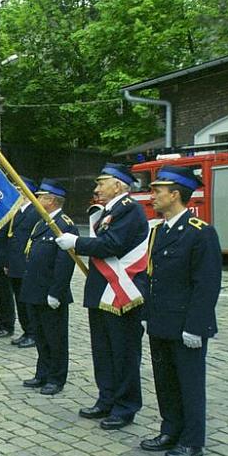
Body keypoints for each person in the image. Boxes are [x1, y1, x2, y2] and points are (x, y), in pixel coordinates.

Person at [56, 163, 148, 430]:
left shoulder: (130, 209)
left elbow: (112, 245)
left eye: (101, 183)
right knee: (103, 351)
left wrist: (77, 243)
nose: (96, 189)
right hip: (102, 291)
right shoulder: (110, 211)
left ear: (118, 185)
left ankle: (125, 406)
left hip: (122, 294)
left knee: (123, 353)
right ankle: (106, 399)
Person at [139, 166, 221, 456]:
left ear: (175, 195)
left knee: (189, 384)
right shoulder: (159, 230)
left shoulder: (201, 233)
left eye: (158, 191)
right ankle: (170, 430)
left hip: (186, 324)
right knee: (165, 381)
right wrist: (148, 313)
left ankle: (191, 441)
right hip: (161, 321)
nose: (153, 196)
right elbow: (152, 276)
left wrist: (196, 327)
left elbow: (207, 284)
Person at [19, 179, 78, 396]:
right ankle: (42, 372)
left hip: (50, 292)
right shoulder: (41, 222)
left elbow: (65, 263)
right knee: (41, 336)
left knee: (56, 338)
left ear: (51, 200)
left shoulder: (64, 224)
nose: (37, 199)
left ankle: (56, 378)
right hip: (34, 290)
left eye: (41, 196)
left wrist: (56, 292)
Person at [7, 177, 41, 349]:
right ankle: (26, 330)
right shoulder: (17, 211)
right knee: (20, 300)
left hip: (25, 263)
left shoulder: (35, 212)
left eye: (19, 190)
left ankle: (33, 333)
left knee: (27, 301)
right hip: (14, 263)